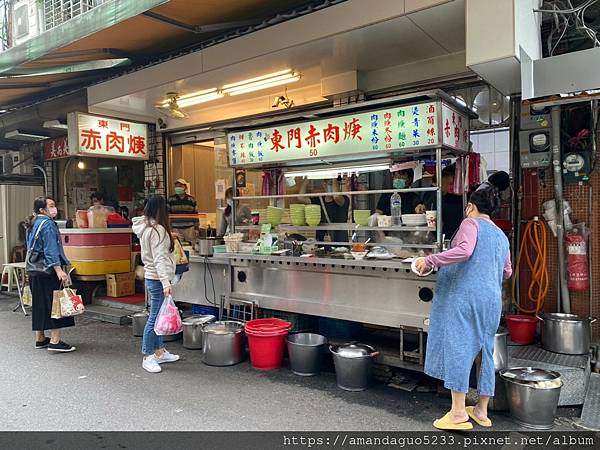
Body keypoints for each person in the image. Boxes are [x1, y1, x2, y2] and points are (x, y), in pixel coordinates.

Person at [414, 183, 512, 430]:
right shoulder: (501, 235)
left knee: (459, 345)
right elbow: (507, 271)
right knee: (484, 351)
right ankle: (481, 410)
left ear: (470, 206)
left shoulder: (470, 223)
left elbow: (465, 250)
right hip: (491, 300)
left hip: (465, 297)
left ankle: (457, 412)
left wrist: (430, 259)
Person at [132, 195, 179, 374]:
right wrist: (166, 282)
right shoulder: (157, 230)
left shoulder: (146, 227)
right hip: (158, 278)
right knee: (154, 318)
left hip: (152, 277)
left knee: (158, 316)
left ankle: (159, 352)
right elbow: (159, 258)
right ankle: (148, 355)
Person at [26, 197, 75, 352]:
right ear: (42, 210)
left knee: (40, 304)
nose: (55, 208)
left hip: (35, 269)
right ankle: (55, 340)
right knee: (55, 303)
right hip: (48, 271)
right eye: (51, 206)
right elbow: (50, 249)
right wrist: (59, 270)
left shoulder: (33, 222)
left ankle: (40, 338)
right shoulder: (47, 224)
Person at [298, 177, 349, 243]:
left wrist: (334, 177)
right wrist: (308, 178)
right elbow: (300, 197)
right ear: (324, 184)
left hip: (340, 244)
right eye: (331, 184)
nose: (334, 187)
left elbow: (336, 196)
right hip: (321, 243)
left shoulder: (344, 199)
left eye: (336, 185)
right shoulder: (319, 200)